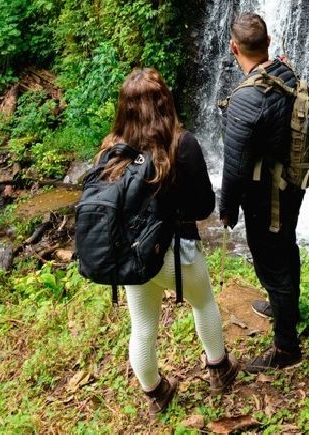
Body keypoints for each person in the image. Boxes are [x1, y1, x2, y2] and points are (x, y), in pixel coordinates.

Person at [99, 68, 239, 412]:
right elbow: (204, 206)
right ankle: (219, 369)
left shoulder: (111, 149)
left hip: (133, 252)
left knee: (143, 324)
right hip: (177, 251)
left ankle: (155, 393)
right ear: (165, 102)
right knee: (203, 302)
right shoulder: (182, 144)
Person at [219, 13, 304, 372]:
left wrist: (227, 209)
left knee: (271, 262)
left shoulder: (246, 99)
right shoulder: (285, 72)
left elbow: (235, 166)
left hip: (266, 196)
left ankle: (286, 349)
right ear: (269, 43)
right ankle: (286, 308)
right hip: (291, 184)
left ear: (234, 48)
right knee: (285, 247)